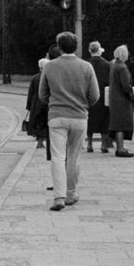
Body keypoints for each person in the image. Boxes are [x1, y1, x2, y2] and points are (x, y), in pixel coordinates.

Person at [39, 31, 99, 211]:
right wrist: (83, 104)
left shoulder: (50, 67)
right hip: (79, 117)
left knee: (58, 157)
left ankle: (59, 196)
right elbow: (94, 95)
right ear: (77, 47)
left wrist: (55, 101)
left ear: (59, 47)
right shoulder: (86, 67)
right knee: (74, 157)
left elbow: (42, 94)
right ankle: (71, 193)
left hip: (57, 117)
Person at [106, 44, 134, 158]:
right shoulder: (122, 67)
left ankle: (120, 147)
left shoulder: (114, 65)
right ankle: (120, 148)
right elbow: (125, 85)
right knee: (121, 125)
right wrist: (131, 94)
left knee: (118, 124)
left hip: (115, 99)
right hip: (122, 100)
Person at [85, 41, 112, 153]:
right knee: (104, 120)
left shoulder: (86, 64)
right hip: (103, 96)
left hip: (89, 96)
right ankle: (103, 145)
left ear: (90, 50)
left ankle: (89, 144)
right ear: (99, 50)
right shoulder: (107, 64)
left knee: (90, 120)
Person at [25, 57, 49, 150]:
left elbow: (30, 92)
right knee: (44, 123)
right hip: (45, 102)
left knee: (37, 122)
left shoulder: (35, 77)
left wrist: (29, 105)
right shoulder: (47, 77)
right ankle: (40, 142)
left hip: (35, 102)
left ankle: (39, 142)